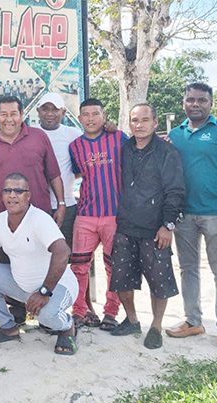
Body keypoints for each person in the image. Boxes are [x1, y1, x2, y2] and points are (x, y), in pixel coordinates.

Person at [167, 82, 217, 349]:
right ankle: (193, 320)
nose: (196, 104)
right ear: (183, 103)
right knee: (188, 269)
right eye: (191, 100)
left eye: (202, 100)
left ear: (210, 103)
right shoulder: (175, 134)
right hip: (184, 216)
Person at [0, 96, 65, 324]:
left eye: (13, 113)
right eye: (3, 114)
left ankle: (46, 306)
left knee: (41, 264)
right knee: (8, 266)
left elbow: (53, 173)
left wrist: (61, 203)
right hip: (5, 220)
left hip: (39, 216)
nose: (9, 119)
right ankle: (17, 312)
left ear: (22, 115)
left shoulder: (38, 137)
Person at [0, 173, 79, 355]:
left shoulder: (39, 219)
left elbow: (62, 252)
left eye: (19, 191)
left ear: (28, 196)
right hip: (23, 285)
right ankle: (8, 328)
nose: (12, 195)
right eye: (7, 190)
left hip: (57, 286)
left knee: (47, 317)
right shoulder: (0, 221)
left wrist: (45, 291)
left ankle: (68, 326)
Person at [109, 104, 185, 349]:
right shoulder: (124, 149)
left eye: (144, 120)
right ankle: (131, 320)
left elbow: (175, 191)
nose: (139, 125)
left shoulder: (167, 152)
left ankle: (156, 326)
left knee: (159, 281)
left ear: (155, 123)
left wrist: (168, 225)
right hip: (125, 226)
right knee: (121, 279)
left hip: (155, 230)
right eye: (134, 120)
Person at [32, 92, 96, 316]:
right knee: (38, 259)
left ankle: (83, 307)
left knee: (75, 259)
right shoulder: (29, 134)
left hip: (67, 206)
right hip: (35, 208)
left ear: (63, 112)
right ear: (38, 111)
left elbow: (82, 167)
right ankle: (38, 307)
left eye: (55, 109)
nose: (50, 113)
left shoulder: (73, 134)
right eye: (45, 108)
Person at [68, 98, 126, 331]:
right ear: (80, 118)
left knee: (114, 266)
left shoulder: (119, 138)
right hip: (86, 214)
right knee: (79, 266)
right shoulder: (75, 147)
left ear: (104, 116)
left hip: (115, 215)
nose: (90, 119)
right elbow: (75, 175)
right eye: (86, 114)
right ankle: (79, 311)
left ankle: (111, 313)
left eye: (95, 114)